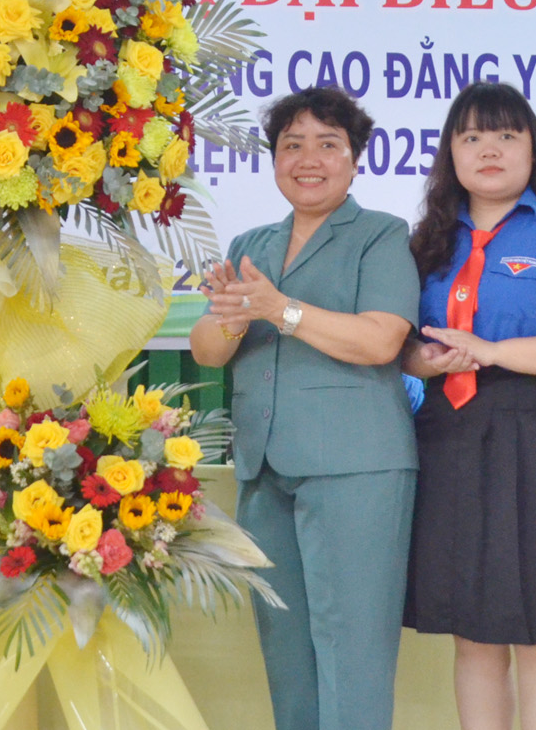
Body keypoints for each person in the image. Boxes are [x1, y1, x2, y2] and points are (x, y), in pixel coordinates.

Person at [190, 86, 419, 730]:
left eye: (327, 144)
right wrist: (235, 317)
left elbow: (380, 341)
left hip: (356, 468)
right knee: (285, 653)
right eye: (292, 145)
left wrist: (278, 309)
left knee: (353, 652)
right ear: (274, 160)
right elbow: (208, 349)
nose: (308, 159)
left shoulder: (381, 234)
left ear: (355, 159)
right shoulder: (252, 242)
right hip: (263, 467)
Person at [401, 81, 536, 730]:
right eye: (471, 137)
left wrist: (492, 351)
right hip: (447, 433)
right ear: (450, 153)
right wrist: (428, 360)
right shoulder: (427, 242)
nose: (488, 150)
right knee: (472, 632)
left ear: (534, 150)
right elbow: (403, 347)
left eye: (505, 135)